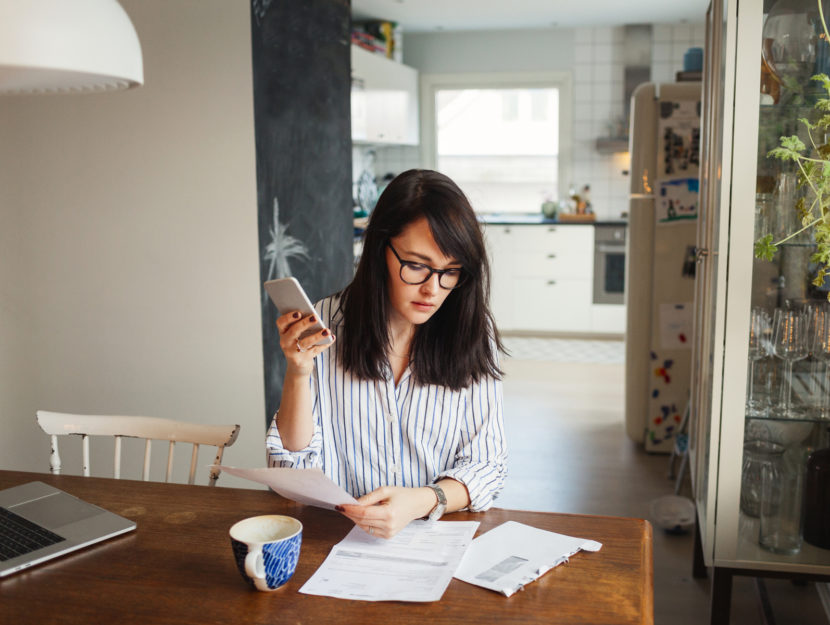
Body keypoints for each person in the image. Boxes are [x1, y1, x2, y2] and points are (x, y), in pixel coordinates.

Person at [266, 169, 507, 538]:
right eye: (416, 265)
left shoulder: (472, 333)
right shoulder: (328, 323)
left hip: (436, 537)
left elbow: (487, 465)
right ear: (380, 250)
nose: (433, 289)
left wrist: (423, 500)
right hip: (339, 539)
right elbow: (289, 470)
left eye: (451, 271)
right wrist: (297, 373)